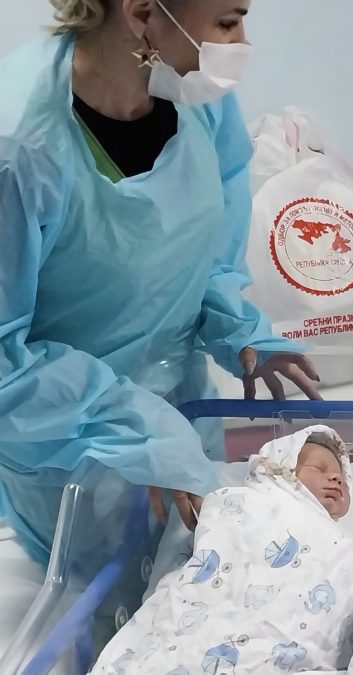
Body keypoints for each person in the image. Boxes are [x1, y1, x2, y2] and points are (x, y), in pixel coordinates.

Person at [0, 0, 319, 565]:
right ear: (143, 12)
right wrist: (137, 427)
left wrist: (235, 326)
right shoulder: (19, 145)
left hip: (183, 415)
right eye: (228, 22)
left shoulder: (196, 96)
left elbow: (209, 247)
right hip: (69, 449)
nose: (242, 43)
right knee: (115, 594)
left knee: (211, 569)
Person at [89, 426, 353, 674]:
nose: (335, 478)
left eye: (341, 477)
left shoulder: (340, 547)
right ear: (280, 468)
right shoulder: (245, 501)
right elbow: (215, 542)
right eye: (319, 468)